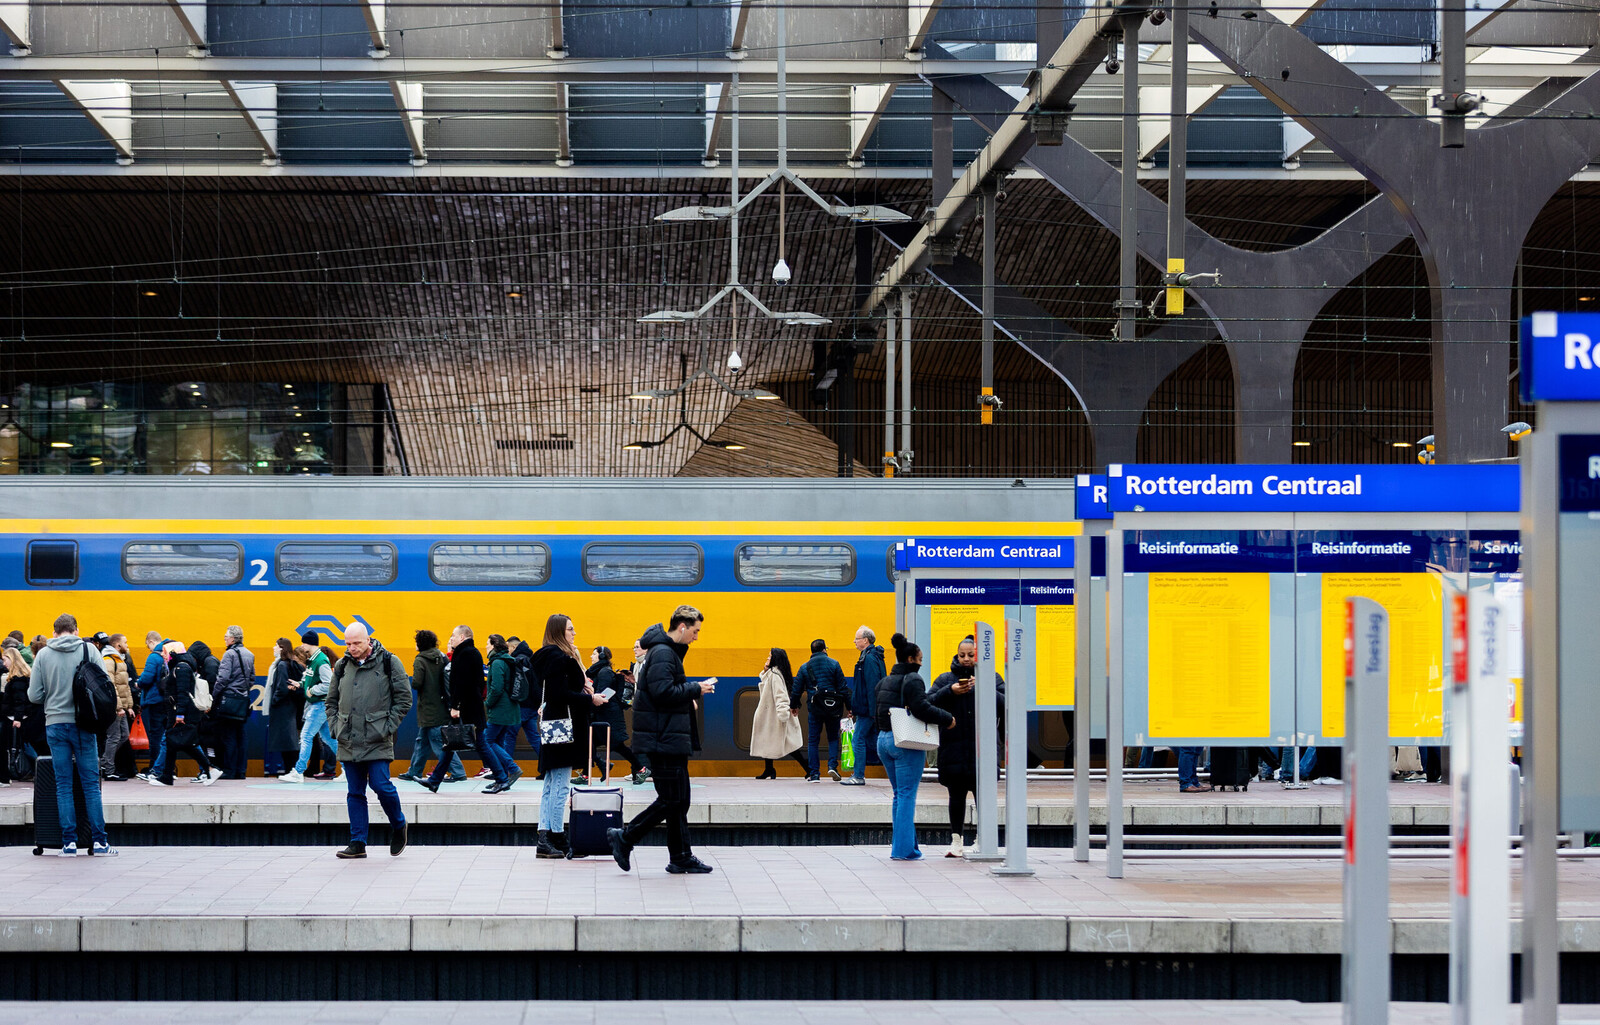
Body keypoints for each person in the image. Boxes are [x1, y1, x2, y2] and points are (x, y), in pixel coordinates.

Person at [608, 605, 716, 875]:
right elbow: (662, 691)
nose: (696, 637)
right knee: (671, 800)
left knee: (680, 800)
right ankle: (625, 837)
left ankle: (680, 857)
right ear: (682, 627)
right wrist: (696, 688)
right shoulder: (664, 653)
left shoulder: (666, 652)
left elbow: (665, 691)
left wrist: (689, 693)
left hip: (668, 737)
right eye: (695, 631)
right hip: (662, 739)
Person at [28, 614, 117, 855]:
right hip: (84, 724)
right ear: (76, 630)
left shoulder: (44, 654)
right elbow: (104, 686)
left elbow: (34, 696)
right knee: (90, 785)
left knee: (63, 785)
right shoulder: (89, 650)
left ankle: (69, 843)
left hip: (55, 724)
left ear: (54, 632)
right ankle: (99, 842)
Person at [326, 622, 412, 859]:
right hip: (348, 738)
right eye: (347, 643)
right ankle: (357, 842)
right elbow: (331, 702)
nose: (351, 648)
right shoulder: (342, 666)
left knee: (381, 786)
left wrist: (386, 726)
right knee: (355, 792)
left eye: (356, 643)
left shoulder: (389, 662)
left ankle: (399, 824)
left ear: (368, 640)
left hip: (377, 737)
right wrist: (336, 727)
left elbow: (404, 699)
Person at [876, 633, 954, 861]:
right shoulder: (913, 679)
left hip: (884, 740)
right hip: (905, 743)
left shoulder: (884, 681)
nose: (922, 663)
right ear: (911, 659)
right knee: (907, 795)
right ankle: (903, 851)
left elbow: (877, 711)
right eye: (920, 659)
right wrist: (947, 718)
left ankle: (908, 846)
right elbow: (921, 708)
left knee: (899, 795)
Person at [931, 636, 1005, 858]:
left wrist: (984, 689)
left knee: (984, 797)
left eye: (970, 655)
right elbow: (928, 703)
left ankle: (984, 839)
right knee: (956, 796)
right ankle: (956, 841)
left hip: (984, 751)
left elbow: (1007, 704)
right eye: (962, 655)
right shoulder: (945, 679)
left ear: (979, 655)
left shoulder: (992, 678)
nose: (965, 659)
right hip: (953, 750)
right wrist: (950, 691)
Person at [414, 625, 514, 792]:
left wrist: (455, 706)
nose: (451, 638)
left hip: (467, 709)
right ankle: (435, 781)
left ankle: (502, 778)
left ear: (462, 637)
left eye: (453, 635)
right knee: (450, 744)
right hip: (469, 707)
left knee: (481, 744)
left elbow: (462, 683)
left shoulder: (465, 654)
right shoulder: (468, 652)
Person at [532, 614, 591, 858]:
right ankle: (557, 836)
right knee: (560, 785)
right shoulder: (558, 658)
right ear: (558, 632)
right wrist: (590, 698)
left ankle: (545, 838)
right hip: (564, 728)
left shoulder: (547, 656)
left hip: (554, 726)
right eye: (570, 629)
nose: (574, 633)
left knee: (550, 784)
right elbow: (560, 694)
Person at [150, 642, 222, 788]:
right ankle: (167, 776)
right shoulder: (179, 666)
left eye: (165, 652)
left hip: (181, 712)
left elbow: (182, 692)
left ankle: (210, 769)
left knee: (186, 743)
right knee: (173, 743)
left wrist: (180, 714)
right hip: (176, 711)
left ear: (173, 652)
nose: (163, 655)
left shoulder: (181, 667)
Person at [400, 629, 463, 783]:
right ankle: (414, 771)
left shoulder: (420, 660)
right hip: (441, 705)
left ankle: (458, 771)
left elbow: (417, 683)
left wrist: (406, 678)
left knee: (438, 742)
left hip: (428, 707)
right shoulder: (441, 657)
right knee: (422, 742)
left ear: (420, 643)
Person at [792, 638, 849, 781]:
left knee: (813, 741)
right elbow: (843, 688)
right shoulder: (834, 664)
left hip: (815, 708)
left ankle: (815, 774)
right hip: (833, 708)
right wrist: (850, 707)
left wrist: (794, 706)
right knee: (832, 738)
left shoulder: (805, 667)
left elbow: (796, 690)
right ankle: (832, 767)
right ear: (824, 650)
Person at [586, 646, 645, 784]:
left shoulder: (604, 672)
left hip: (609, 717)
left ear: (601, 656)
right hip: (603, 716)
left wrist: (591, 696)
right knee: (589, 744)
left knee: (618, 746)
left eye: (594, 654)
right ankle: (589, 772)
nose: (591, 656)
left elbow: (603, 693)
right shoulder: (600, 671)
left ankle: (641, 769)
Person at [281, 641, 337, 783]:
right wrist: (299, 684)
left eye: (304, 643)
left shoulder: (320, 661)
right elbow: (310, 680)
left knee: (306, 736)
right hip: (319, 705)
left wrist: (312, 691)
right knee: (329, 739)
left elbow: (328, 684)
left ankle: (298, 772)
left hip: (319, 705)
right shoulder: (313, 661)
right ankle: (349, 769)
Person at [751, 647, 805, 779]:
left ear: (775, 658)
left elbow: (781, 696)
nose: (767, 659)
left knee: (788, 745)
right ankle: (769, 769)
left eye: (769, 657)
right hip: (770, 715)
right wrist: (764, 671)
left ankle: (808, 767)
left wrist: (783, 715)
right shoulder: (774, 673)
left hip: (775, 716)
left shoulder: (775, 675)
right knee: (768, 741)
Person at [482, 634, 525, 794]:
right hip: (509, 708)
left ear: (494, 645)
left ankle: (512, 769)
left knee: (487, 741)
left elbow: (497, 687)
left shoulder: (498, 663)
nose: (485, 646)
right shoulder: (507, 660)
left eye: (487, 644)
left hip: (500, 709)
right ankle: (501, 777)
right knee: (498, 742)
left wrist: (488, 703)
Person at [844, 626, 885, 786]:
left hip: (868, 709)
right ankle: (893, 765)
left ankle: (858, 775)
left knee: (857, 739)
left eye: (857, 638)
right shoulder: (872, 656)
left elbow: (871, 685)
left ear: (865, 640)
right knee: (872, 740)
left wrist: (873, 711)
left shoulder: (868, 658)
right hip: (867, 708)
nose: (854, 641)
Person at [213, 626, 255, 779]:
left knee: (229, 736)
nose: (224, 639)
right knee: (241, 736)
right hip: (243, 701)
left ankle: (230, 771)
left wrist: (215, 696)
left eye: (226, 636)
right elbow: (252, 679)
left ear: (232, 639)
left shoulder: (229, 654)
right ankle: (241, 771)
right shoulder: (250, 654)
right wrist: (242, 691)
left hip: (229, 700)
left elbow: (222, 679)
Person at [135, 631, 173, 781]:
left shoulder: (154, 656)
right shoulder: (168, 654)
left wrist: (138, 683)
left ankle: (154, 768)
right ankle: (167, 768)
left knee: (155, 736)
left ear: (151, 641)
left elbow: (147, 677)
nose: (148, 648)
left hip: (154, 700)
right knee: (166, 735)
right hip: (167, 701)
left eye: (147, 645)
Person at [97, 633, 136, 781]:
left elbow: (124, 686)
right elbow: (111, 686)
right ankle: (109, 770)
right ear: (117, 645)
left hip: (121, 707)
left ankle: (103, 762)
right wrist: (119, 707)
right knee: (114, 737)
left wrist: (129, 706)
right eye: (125, 643)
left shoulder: (119, 659)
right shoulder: (108, 660)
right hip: (115, 708)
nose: (127, 645)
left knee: (124, 735)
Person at [264, 638, 306, 776]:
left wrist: (275, 700)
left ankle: (291, 770)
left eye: (276, 646)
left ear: (282, 648)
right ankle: (291, 769)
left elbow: (281, 687)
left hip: (282, 707)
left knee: (286, 742)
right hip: (289, 707)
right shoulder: (287, 663)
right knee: (288, 740)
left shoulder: (281, 665)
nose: (273, 648)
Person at [509, 637, 542, 767]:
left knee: (510, 736)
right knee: (534, 738)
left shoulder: (517, 661)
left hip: (520, 706)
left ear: (513, 648)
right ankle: (546, 767)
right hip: (533, 706)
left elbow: (516, 685)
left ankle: (507, 770)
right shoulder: (532, 659)